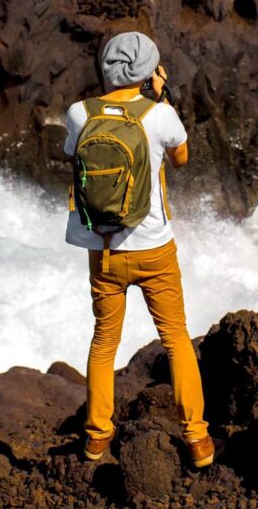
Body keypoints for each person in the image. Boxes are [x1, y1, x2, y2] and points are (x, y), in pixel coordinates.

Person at [63, 31, 222, 469]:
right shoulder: (160, 114)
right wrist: (160, 95)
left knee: (103, 344)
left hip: (104, 249)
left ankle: (96, 439)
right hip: (154, 249)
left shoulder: (79, 113)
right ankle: (196, 438)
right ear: (148, 69)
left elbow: (74, 158)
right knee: (176, 340)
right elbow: (181, 159)